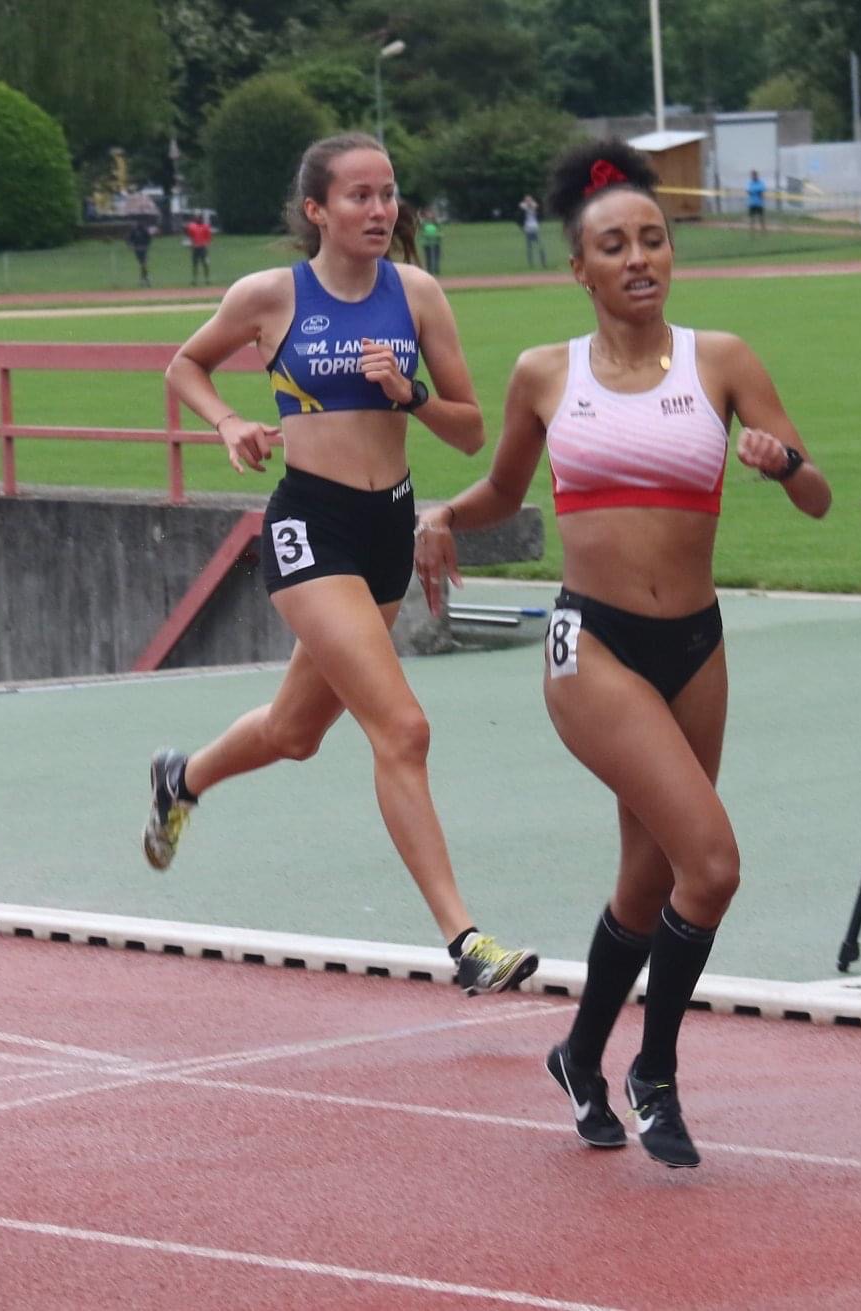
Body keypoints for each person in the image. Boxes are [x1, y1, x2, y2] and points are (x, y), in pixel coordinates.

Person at [414, 141, 832, 1167]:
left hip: (695, 644)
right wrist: (443, 514)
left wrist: (783, 464)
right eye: (615, 245)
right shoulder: (545, 373)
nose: (640, 258)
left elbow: (818, 495)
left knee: (650, 882)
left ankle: (579, 1055)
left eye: (654, 239)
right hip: (591, 646)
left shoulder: (722, 360)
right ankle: (657, 1071)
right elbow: (504, 494)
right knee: (713, 864)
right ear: (580, 267)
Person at [147, 131, 537, 997]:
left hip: (385, 527)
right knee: (403, 727)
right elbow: (185, 365)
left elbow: (472, 430)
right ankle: (466, 939)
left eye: (389, 193)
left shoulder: (417, 294)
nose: (380, 209)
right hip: (310, 524)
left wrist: (411, 394)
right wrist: (227, 422)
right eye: (360, 195)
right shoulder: (270, 295)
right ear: (317, 210)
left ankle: (183, 776)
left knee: (295, 734)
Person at [184, 212, 214, 285]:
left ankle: (207, 279)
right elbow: (189, 235)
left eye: (199, 218)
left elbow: (209, 237)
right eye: (197, 218)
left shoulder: (205, 227)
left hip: (203, 248)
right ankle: (194, 280)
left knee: (205, 263)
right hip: (195, 247)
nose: (198, 219)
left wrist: (206, 244)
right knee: (195, 264)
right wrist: (191, 243)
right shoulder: (192, 226)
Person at [519, 194, 547, 269]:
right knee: (529, 247)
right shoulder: (523, 206)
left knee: (540, 245)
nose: (528, 201)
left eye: (529, 199)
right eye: (526, 200)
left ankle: (543, 262)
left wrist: (531, 205)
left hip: (535, 228)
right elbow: (521, 208)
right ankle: (531, 264)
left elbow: (536, 207)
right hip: (528, 229)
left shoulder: (534, 205)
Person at [126, 222, 153, 288]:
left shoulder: (144, 231)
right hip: (137, 250)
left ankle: (144, 279)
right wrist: (130, 245)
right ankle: (145, 279)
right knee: (142, 264)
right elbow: (129, 239)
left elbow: (149, 239)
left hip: (143, 249)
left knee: (143, 264)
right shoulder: (134, 231)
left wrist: (146, 245)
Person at [420, 207, 443, 275]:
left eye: (430, 213)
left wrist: (439, 236)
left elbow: (440, 231)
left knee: (436, 257)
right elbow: (421, 231)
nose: (429, 215)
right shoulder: (424, 223)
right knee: (428, 257)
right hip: (427, 243)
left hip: (435, 242)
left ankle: (436, 269)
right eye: (428, 213)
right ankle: (429, 270)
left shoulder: (435, 223)